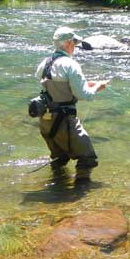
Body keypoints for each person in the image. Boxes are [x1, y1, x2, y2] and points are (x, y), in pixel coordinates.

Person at [35, 26, 108, 183]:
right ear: (68, 43)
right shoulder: (70, 64)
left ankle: (57, 188)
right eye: (74, 42)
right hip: (65, 122)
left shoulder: (44, 63)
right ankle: (78, 196)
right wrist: (97, 87)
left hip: (46, 121)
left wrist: (85, 84)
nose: (75, 46)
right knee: (87, 158)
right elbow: (84, 95)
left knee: (59, 158)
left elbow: (53, 88)